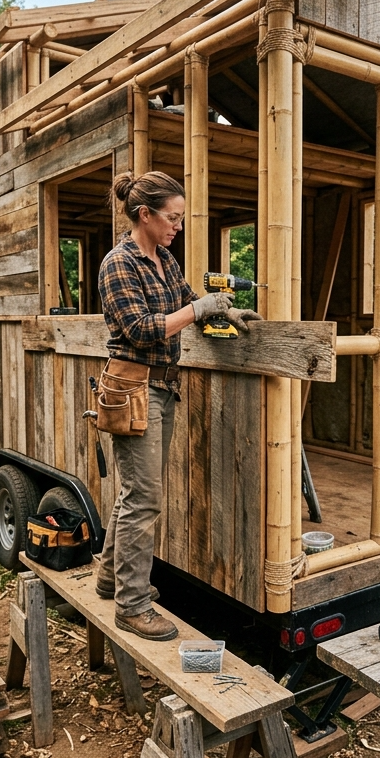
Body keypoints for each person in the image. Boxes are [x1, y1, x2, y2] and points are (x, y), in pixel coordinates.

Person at [95, 170, 261, 640]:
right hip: (133, 388)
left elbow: (187, 302)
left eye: (180, 218)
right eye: (172, 218)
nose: (178, 227)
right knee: (144, 498)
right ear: (144, 215)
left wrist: (223, 311)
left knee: (135, 493)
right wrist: (200, 309)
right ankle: (131, 605)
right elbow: (141, 329)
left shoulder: (164, 259)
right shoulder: (118, 263)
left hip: (163, 388)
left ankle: (109, 578)